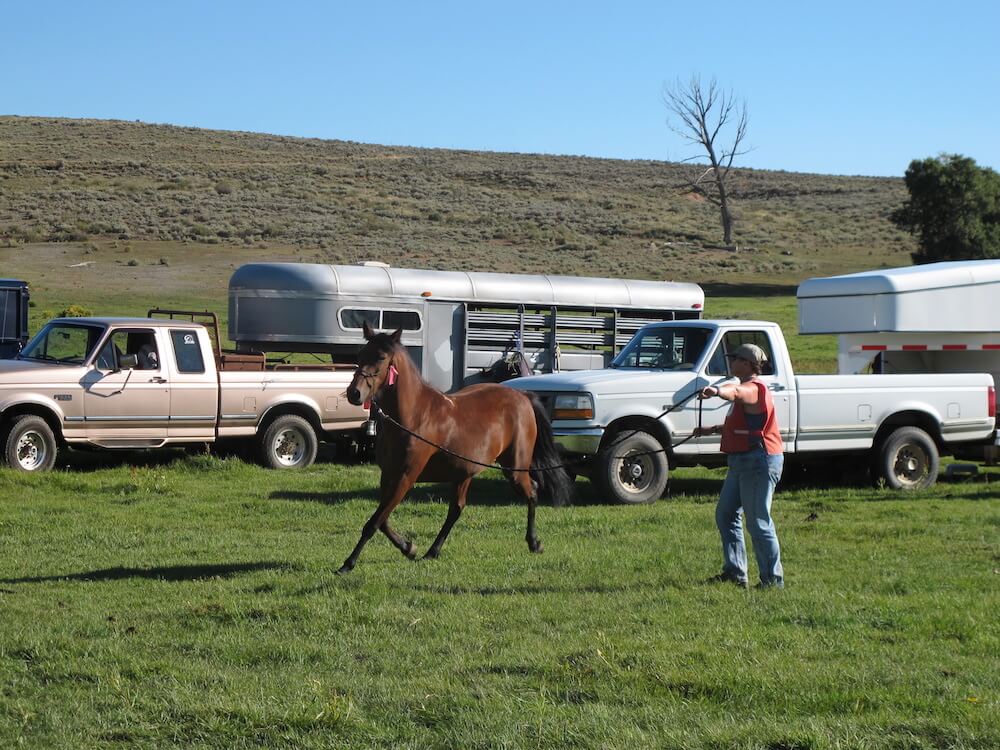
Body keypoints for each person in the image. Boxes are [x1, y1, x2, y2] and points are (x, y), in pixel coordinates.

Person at [694, 343, 785, 589]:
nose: (730, 362)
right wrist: (712, 430)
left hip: (758, 460)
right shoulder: (746, 388)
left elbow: (734, 391)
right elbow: (745, 424)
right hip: (742, 460)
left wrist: (715, 390)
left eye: (734, 358)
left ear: (746, 364)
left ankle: (772, 581)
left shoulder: (753, 388)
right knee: (726, 514)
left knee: (758, 522)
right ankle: (735, 573)